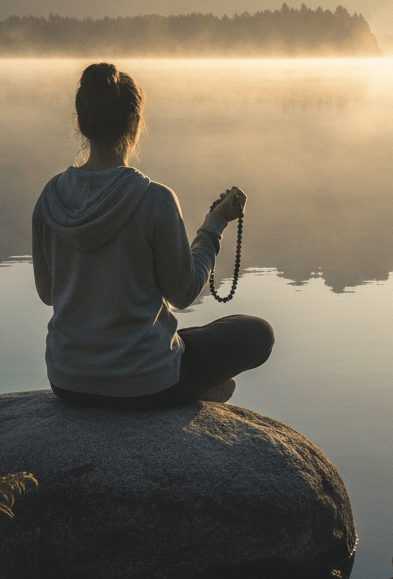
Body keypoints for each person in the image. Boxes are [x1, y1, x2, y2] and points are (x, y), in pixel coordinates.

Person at [32, 62, 274, 410]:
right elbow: (183, 292)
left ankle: (193, 382)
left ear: (82, 124)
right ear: (135, 125)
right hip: (146, 383)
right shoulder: (154, 199)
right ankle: (196, 388)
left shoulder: (50, 198)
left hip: (68, 381)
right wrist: (215, 224)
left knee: (181, 335)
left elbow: (47, 293)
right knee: (258, 332)